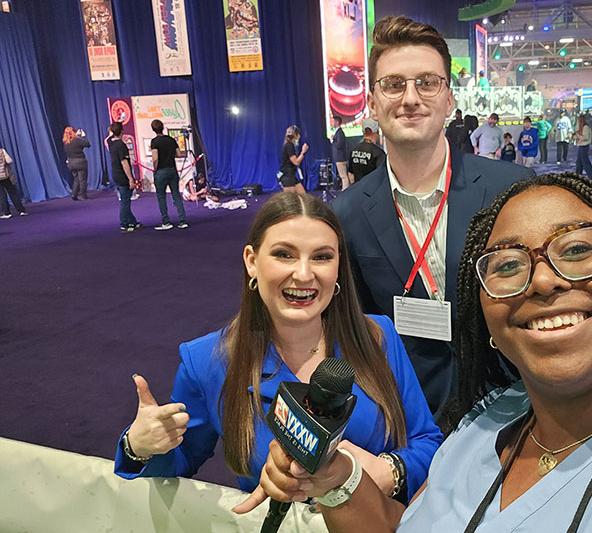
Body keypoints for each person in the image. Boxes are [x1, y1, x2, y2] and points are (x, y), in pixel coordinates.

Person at [249, 174, 592, 533]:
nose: (542, 281)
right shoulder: (480, 430)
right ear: (487, 321)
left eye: (578, 249)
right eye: (508, 265)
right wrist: (337, 476)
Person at [116, 192, 443, 508]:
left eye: (322, 257)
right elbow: (179, 463)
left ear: (339, 266)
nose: (304, 274)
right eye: (284, 254)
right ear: (252, 261)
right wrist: (140, 447)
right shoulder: (206, 362)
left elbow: (428, 442)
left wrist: (389, 473)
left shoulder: (377, 336)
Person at [331, 16, 533, 419]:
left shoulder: (510, 189)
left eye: (427, 82)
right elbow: (355, 330)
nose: (410, 98)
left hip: (519, 407)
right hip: (411, 417)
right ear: (372, 102)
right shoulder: (346, 213)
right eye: (393, 84)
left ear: (449, 99)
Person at [150, 119, 188, 230]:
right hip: (172, 169)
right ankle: (182, 221)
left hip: (161, 171)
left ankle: (166, 222)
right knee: (176, 195)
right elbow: (179, 153)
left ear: (153, 129)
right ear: (163, 127)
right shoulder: (171, 139)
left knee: (161, 197)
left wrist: (155, 169)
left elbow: (155, 158)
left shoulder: (154, 142)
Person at [107, 122, 140, 232]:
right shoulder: (121, 145)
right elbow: (124, 163)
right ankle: (124, 223)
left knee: (124, 199)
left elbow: (107, 139)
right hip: (122, 176)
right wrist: (131, 179)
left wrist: (111, 131)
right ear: (122, 131)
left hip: (115, 174)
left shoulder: (111, 143)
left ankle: (133, 221)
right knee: (125, 201)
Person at [63, 126, 91, 201]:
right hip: (80, 162)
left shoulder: (65, 143)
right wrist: (83, 136)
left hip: (71, 163)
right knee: (82, 179)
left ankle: (74, 194)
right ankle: (83, 195)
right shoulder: (77, 140)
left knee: (76, 179)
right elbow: (88, 144)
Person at [0, 143, 27, 219]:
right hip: (6, 175)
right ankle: (21, 210)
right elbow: (9, 161)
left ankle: (6, 212)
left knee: (2, 195)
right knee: (13, 193)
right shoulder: (2, 151)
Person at [280, 125, 309, 194]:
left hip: (292, 176)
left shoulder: (289, 145)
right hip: (287, 177)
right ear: (296, 135)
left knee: (303, 196)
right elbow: (296, 162)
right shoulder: (289, 145)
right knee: (290, 201)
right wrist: (303, 152)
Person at [574, 114, 592, 179]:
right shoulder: (580, 127)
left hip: (584, 146)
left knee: (585, 162)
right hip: (580, 145)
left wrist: (577, 135)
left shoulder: (586, 127)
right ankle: (578, 176)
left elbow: (585, 137)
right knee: (579, 163)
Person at [331, 116, 350, 190]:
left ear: (337, 122)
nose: (332, 123)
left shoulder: (340, 133)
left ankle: (345, 191)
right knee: (343, 176)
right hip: (340, 158)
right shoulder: (338, 132)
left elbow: (339, 145)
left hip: (340, 158)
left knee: (343, 176)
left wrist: (332, 141)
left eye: (333, 121)